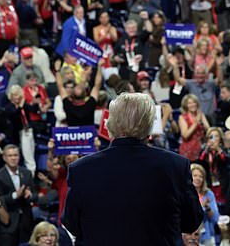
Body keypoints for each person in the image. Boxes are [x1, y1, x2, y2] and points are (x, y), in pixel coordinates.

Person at [62, 93, 203, 245]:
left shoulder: (81, 169)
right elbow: (191, 222)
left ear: (109, 123)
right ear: (150, 125)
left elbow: (72, 225)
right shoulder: (176, 166)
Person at [0, 144, 37, 246]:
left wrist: (29, 195)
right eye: (10, 156)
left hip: (26, 221)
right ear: (4, 158)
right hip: (8, 223)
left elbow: (35, 195)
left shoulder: (27, 173)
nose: (13, 158)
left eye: (15, 155)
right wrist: (15, 195)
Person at [191, 163, 219, 245]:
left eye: (201, 176)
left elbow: (215, 218)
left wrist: (208, 208)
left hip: (207, 236)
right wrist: (201, 206)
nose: (198, 178)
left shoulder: (209, 194)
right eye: (195, 175)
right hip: (189, 236)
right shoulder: (184, 194)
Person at [178, 94, 211, 161]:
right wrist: (196, 123)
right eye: (189, 103)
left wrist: (202, 122)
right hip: (188, 149)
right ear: (186, 105)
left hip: (202, 148)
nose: (192, 104)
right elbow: (185, 135)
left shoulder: (201, 115)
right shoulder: (183, 117)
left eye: (194, 102)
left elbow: (209, 130)